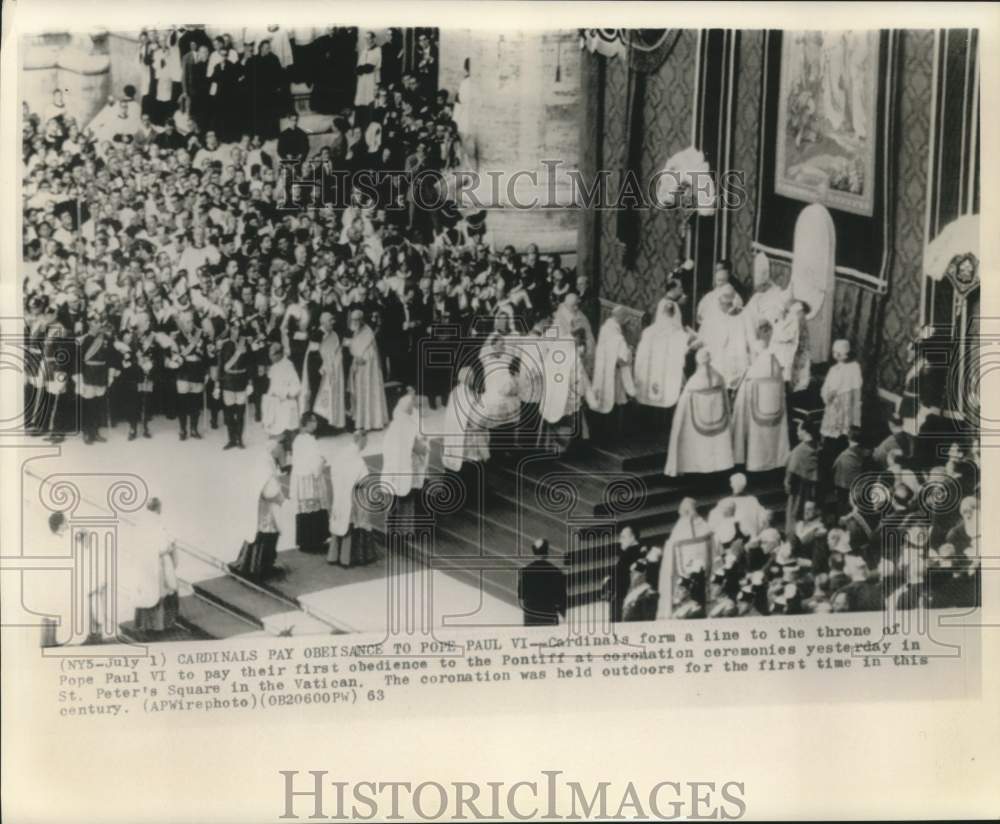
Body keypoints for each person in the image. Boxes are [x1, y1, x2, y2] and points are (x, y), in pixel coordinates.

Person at [665, 348, 734, 477]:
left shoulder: (693, 382)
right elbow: (726, 400)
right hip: (719, 421)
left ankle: (700, 468)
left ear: (697, 361)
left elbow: (682, 408)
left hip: (698, 425)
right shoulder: (719, 378)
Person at [731, 321, 790, 472]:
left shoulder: (755, 369)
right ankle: (776, 460)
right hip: (773, 413)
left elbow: (745, 390)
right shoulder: (775, 364)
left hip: (757, 414)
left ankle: (754, 462)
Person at [229, 442, 285, 582]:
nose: (281, 452)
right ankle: (260, 568)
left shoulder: (263, 459)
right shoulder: (267, 465)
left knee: (255, 534)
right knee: (266, 535)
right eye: (280, 449)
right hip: (266, 508)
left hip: (259, 506)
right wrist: (281, 496)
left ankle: (248, 565)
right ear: (274, 450)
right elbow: (270, 492)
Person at [634, 298, 692, 431]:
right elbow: (684, 351)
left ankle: (647, 426)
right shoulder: (680, 334)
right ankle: (664, 427)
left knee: (649, 393)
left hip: (650, 372)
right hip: (667, 373)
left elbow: (641, 356)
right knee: (667, 393)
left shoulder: (648, 331)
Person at [539, 326, 596, 456]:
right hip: (567, 395)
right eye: (580, 341)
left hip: (553, 393)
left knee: (553, 421)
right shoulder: (573, 355)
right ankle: (564, 450)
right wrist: (582, 393)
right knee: (567, 423)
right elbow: (578, 379)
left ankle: (549, 447)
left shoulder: (557, 347)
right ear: (577, 338)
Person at [652, 497, 711, 618]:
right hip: (705, 577)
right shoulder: (706, 528)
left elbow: (669, 561)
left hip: (683, 579)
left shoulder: (679, 530)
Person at [327, 432, 377, 567]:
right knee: (357, 521)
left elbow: (334, 472)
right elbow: (364, 480)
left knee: (341, 521)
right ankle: (350, 558)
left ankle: (334, 555)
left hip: (340, 494)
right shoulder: (358, 461)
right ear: (361, 439)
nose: (366, 444)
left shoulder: (341, 454)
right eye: (366, 440)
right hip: (354, 496)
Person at [131, 498, 179, 634]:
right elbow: (163, 546)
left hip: (144, 563)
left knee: (145, 593)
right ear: (158, 508)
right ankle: (159, 625)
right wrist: (171, 547)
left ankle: (142, 625)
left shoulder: (140, 522)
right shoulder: (158, 522)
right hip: (158, 563)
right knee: (161, 593)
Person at [589, 305, 636, 442]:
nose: (626, 320)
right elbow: (623, 358)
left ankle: (603, 435)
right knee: (613, 401)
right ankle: (610, 436)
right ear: (620, 317)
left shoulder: (606, 328)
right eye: (625, 317)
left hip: (605, 371)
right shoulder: (616, 334)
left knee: (605, 399)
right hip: (613, 373)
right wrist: (630, 351)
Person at [381, 391, 429, 524]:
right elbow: (420, 449)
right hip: (406, 472)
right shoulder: (408, 427)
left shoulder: (394, 426)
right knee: (406, 503)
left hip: (392, 473)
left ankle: (391, 526)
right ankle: (406, 529)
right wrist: (424, 446)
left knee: (393, 504)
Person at [289, 412, 331, 553]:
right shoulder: (309, 440)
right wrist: (322, 461)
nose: (315, 423)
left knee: (305, 511)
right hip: (310, 479)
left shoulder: (298, 439)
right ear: (306, 423)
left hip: (301, 478)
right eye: (313, 421)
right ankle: (315, 542)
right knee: (314, 509)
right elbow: (315, 461)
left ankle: (305, 542)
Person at [697, 284, 748, 390]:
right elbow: (704, 337)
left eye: (729, 304)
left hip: (734, 362)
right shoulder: (711, 316)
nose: (726, 306)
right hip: (716, 360)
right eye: (723, 303)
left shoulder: (741, 316)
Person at [346, 308, 388, 432]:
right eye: (353, 319)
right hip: (358, 365)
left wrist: (362, 357)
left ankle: (373, 422)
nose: (355, 322)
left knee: (370, 391)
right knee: (360, 391)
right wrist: (355, 357)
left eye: (357, 319)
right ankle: (361, 421)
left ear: (362, 320)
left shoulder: (368, 331)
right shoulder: (355, 331)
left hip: (369, 367)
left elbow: (372, 350)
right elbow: (352, 346)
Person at [516, 539, 567, 626]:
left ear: (533, 553)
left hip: (531, 617)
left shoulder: (525, 572)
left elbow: (521, 596)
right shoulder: (556, 571)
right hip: (549, 616)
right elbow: (561, 598)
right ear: (547, 553)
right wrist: (563, 614)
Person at [217, 319, 251, 449]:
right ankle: (231, 439)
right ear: (230, 330)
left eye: (238, 329)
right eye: (234, 328)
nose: (236, 331)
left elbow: (250, 364)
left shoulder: (245, 344)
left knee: (240, 413)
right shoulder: (225, 345)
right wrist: (218, 384)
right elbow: (222, 365)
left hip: (241, 380)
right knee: (229, 414)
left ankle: (239, 439)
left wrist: (250, 382)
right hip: (229, 381)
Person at [820, 338, 863, 439]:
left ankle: (843, 438)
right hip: (835, 402)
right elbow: (828, 386)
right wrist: (827, 395)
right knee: (835, 424)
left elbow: (856, 388)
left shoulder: (854, 367)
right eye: (835, 353)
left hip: (845, 402)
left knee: (844, 425)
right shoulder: (834, 369)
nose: (836, 355)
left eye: (838, 353)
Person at [311, 311, 347, 431]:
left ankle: (333, 423)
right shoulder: (316, 335)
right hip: (321, 373)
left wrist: (335, 363)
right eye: (330, 320)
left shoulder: (334, 334)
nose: (333, 322)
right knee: (321, 399)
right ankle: (320, 427)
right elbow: (313, 355)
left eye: (333, 320)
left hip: (334, 370)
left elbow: (337, 349)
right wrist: (324, 367)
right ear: (323, 322)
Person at [785, 419, 820, 536]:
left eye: (798, 430)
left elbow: (791, 471)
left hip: (799, 490)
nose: (797, 433)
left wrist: (788, 483)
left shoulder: (799, 451)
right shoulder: (819, 446)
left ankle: (794, 537)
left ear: (805, 431)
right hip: (814, 490)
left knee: (796, 515)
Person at [262, 343, 301, 444]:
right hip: (274, 403)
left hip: (286, 403)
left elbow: (296, 386)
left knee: (288, 430)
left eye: (272, 355)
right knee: (274, 431)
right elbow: (272, 385)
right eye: (269, 355)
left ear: (279, 354)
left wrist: (284, 394)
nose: (270, 357)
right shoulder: (274, 366)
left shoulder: (288, 366)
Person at [608, 524, 645, 623]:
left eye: (623, 537)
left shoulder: (630, 554)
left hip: (623, 599)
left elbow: (622, 577)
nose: (620, 541)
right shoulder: (637, 551)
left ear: (632, 537)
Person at [832, 426, 868, 515]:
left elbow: (834, 468)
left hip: (844, 490)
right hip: (861, 490)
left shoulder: (844, 456)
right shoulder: (867, 453)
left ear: (848, 439)